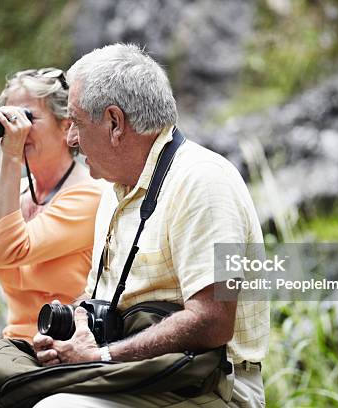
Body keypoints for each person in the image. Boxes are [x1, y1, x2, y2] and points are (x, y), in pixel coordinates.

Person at [32, 44, 269, 407]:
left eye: (76, 122)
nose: (71, 140)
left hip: (211, 385)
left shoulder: (203, 181)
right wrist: (75, 331)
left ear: (114, 122)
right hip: (130, 372)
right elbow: (99, 295)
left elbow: (212, 321)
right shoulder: (113, 190)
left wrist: (103, 357)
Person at [0, 68, 104, 408]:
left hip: (63, 356)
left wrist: (10, 157)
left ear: (67, 126)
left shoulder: (89, 196)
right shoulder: (20, 194)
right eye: (8, 119)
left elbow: (10, 250)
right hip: (15, 354)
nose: (16, 129)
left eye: (27, 118)